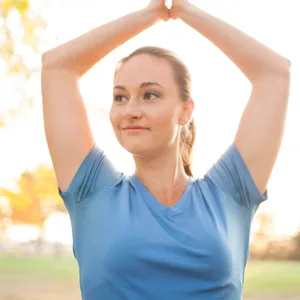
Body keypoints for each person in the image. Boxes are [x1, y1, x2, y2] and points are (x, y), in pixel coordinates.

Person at [41, 0, 291, 299]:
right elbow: (56, 67)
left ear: (185, 112)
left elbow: (275, 73)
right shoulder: (92, 190)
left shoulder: (230, 192)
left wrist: (185, 10)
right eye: (120, 97)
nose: (130, 110)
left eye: (150, 95)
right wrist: (151, 12)